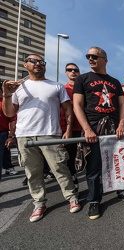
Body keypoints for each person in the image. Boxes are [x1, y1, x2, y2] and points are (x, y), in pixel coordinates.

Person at [2, 54, 80, 222]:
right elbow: (9, 113)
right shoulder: (19, 87)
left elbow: (68, 110)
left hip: (50, 133)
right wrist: (7, 95)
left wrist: (68, 130)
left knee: (60, 168)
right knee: (33, 172)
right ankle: (39, 203)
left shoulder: (56, 86)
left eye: (41, 62)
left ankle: (71, 197)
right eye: (33, 61)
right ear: (25, 65)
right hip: (24, 135)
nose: (38, 64)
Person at [73, 47, 124, 220]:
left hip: (113, 126)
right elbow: (77, 106)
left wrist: (121, 124)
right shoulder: (83, 79)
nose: (90, 58)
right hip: (94, 126)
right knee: (94, 167)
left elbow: (122, 105)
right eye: (88, 56)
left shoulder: (115, 82)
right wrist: (87, 128)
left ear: (105, 59)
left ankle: (121, 190)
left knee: (117, 162)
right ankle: (94, 200)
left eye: (94, 56)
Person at [60, 63, 81, 191]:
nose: (73, 72)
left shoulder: (83, 88)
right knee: (70, 158)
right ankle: (74, 183)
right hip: (67, 129)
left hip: (83, 128)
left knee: (88, 158)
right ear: (66, 73)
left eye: (76, 70)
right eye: (70, 70)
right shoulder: (61, 89)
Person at [0, 84, 17, 179]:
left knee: (4, 155)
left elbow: (13, 120)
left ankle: (9, 167)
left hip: (2, 133)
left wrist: (11, 136)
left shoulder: (5, 103)